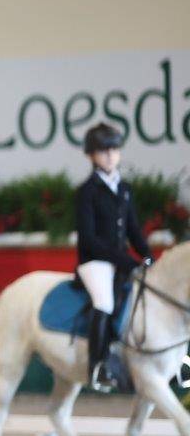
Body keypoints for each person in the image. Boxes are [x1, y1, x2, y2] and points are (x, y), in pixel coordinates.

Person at [75, 122, 153, 392]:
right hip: (94, 262)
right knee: (104, 302)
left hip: (119, 260)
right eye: (103, 150)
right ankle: (97, 366)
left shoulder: (124, 188)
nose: (110, 155)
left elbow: (133, 230)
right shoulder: (87, 191)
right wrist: (125, 260)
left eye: (114, 149)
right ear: (91, 155)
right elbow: (89, 239)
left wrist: (148, 256)